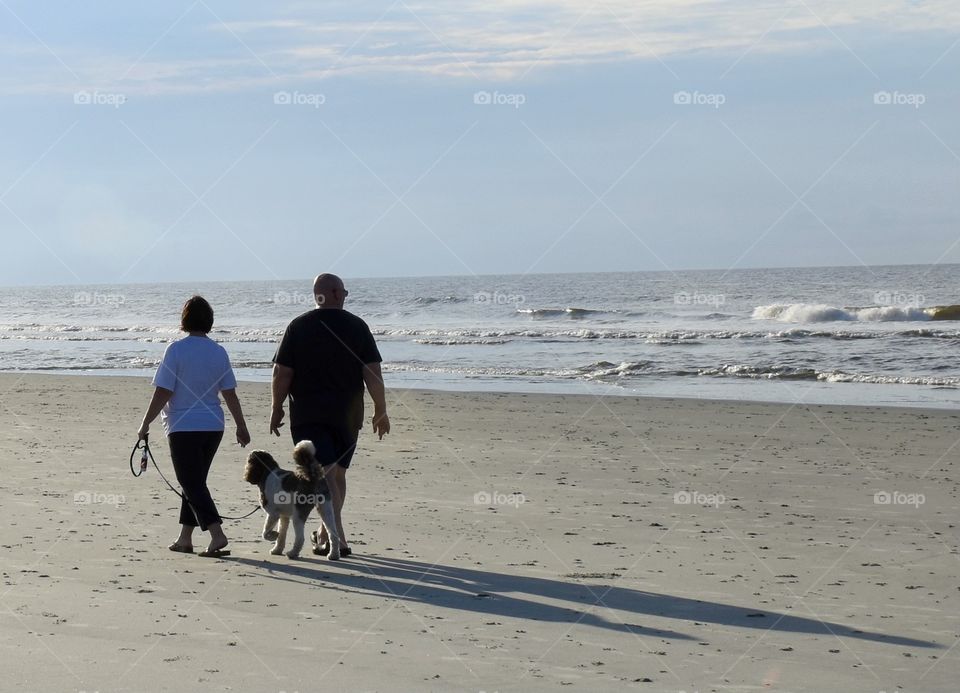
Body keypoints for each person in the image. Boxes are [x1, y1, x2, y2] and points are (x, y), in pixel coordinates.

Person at [270, 273, 390, 557]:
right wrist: (380, 410)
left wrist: (276, 408)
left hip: (308, 414)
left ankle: (328, 535)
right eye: (345, 292)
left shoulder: (298, 327)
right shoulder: (358, 326)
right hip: (347, 415)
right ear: (335, 293)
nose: (346, 296)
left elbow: (282, 373)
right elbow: (372, 373)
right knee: (334, 475)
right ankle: (338, 539)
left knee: (332, 476)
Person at [138, 295, 251, 557]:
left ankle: (216, 533)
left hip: (183, 425)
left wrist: (145, 423)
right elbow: (230, 393)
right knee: (195, 482)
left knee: (191, 481)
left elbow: (163, 391)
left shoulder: (176, 350)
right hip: (213, 425)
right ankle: (185, 539)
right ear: (209, 321)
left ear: (184, 320)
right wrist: (241, 426)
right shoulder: (218, 351)